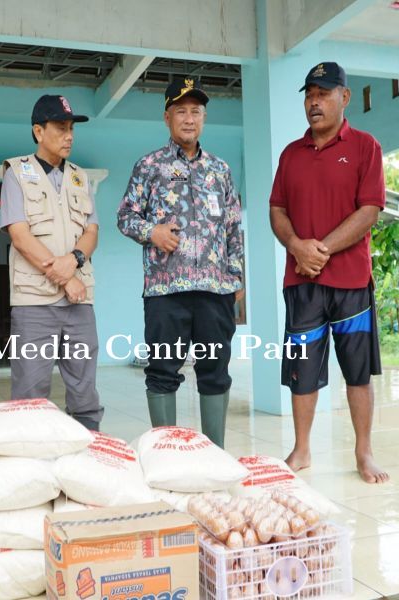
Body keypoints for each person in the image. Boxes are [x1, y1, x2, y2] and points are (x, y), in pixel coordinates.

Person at [269, 62, 388, 483]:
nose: (314, 102)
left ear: (344, 97)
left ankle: (364, 453)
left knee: (357, 371)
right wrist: (297, 247)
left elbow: (370, 208)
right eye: (309, 94)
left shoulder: (364, 146)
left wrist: (321, 248)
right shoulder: (290, 154)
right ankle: (301, 451)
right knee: (302, 371)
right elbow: (277, 210)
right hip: (301, 283)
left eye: (322, 93)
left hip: (351, 281)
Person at [117, 77, 244, 448]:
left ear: (203, 118)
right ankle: (166, 454)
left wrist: (236, 277)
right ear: (167, 117)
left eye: (196, 112)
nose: (189, 119)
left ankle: (215, 453)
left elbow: (234, 226)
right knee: (162, 372)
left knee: (215, 371)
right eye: (181, 111)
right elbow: (125, 216)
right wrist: (151, 232)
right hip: (165, 291)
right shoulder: (149, 166)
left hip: (215, 291)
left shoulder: (220, 170)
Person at [0, 95, 103, 431]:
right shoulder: (16, 173)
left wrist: (73, 263)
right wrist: (64, 277)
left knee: (85, 392)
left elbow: (91, 232)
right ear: (38, 131)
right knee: (31, 391)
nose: (69, 135)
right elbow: (20, 236)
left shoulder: (80, 177)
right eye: (61, 127)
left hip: (79, 300)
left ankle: (88, 462)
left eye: (71, 128)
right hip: (34, 303)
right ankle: (32, 468)